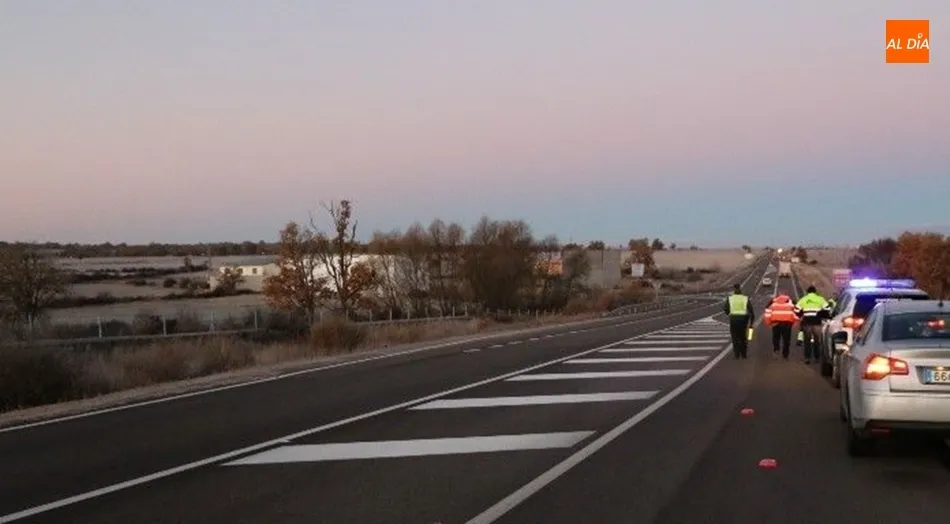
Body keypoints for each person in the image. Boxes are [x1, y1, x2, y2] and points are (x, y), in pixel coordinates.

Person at [794, 285, 832, 364]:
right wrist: (820, 313)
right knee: (817, 341)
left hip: (807, 322)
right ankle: (817, 357)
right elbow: (828, 308)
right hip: (817, 322)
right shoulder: (820, 299)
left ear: (807, 292)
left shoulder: (803, 299)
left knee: (807, 341)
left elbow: (796, 310)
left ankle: (807, 358)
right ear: (815, 292)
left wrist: (801, 314)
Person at [764, 290, 797, 359]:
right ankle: (785, 354)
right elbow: (796, 312)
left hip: (776, 323)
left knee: (776, 338)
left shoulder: (773, 301)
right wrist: (795, 322)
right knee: (786, 340)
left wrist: (768, 322)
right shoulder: (791, 302)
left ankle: (776, 350)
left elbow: (767, 311)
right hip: (787, 323)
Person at [724, 283, 754, 359]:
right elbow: (751, 311)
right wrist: (751, 323)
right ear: (740, 288)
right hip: (743, 320)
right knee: (743, 337)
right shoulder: (745, 298)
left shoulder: (730, 298)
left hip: (733, 320)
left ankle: (736, 354)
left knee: (734, 337)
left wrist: (729, 313)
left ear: (734, 289)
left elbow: (726, 309)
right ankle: (744, 354)